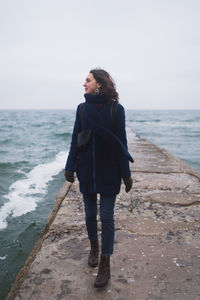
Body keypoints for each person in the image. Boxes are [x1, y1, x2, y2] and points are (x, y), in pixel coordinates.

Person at [64, 68, 133, 288]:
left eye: (88, 80)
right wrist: (70, 166)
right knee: (90, 215)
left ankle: (105, 263)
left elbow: (122, 144)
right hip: (87, 170)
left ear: (99, 84)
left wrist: (126, 174)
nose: (84, 84)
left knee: (107, 217)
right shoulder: (82, 109)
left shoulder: (116, 109)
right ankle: (94, 247)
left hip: (110, 172)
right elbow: (76, 139)